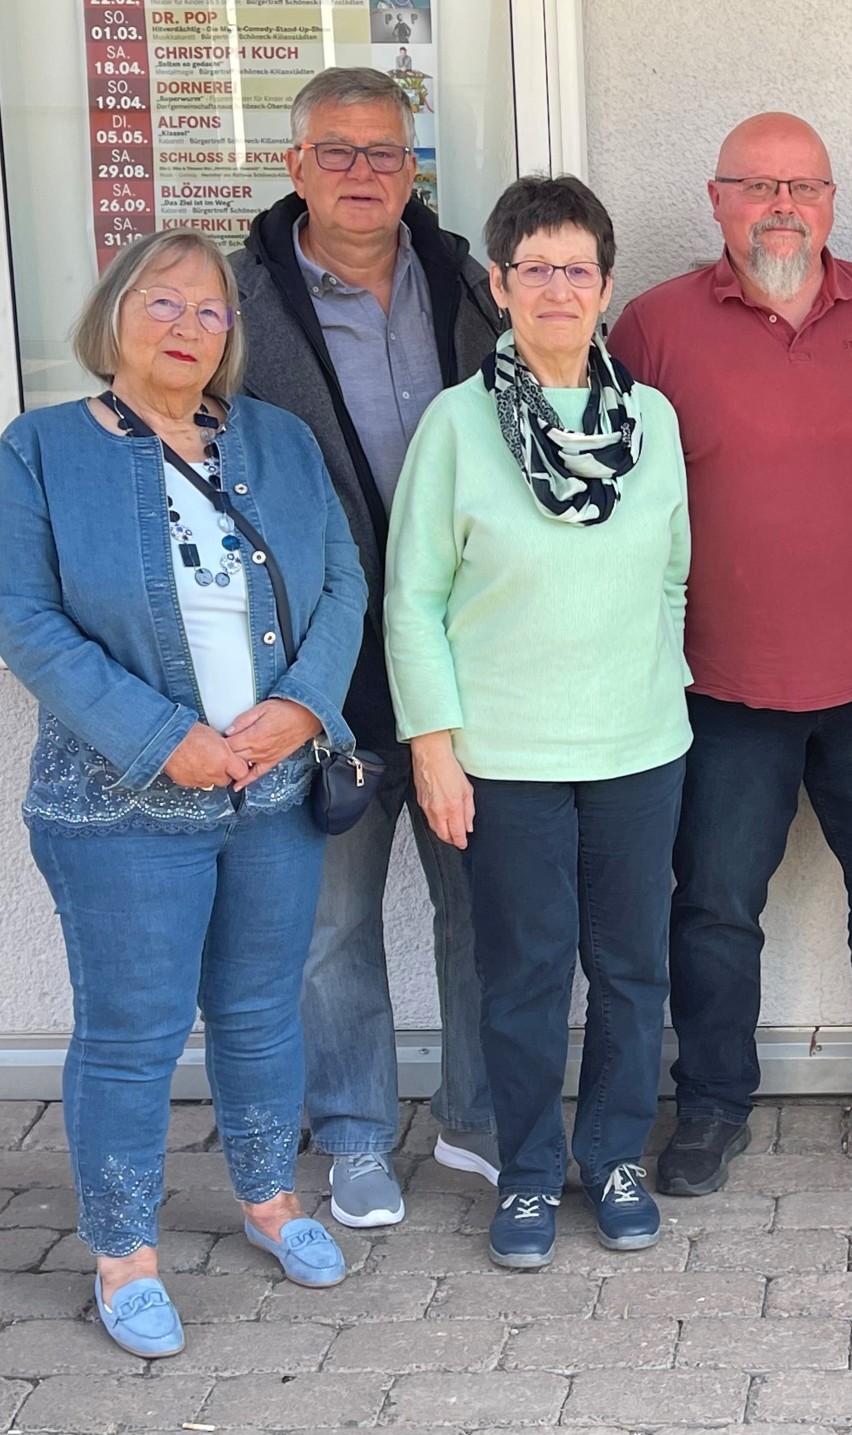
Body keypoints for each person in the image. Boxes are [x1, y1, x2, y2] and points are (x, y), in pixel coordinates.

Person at [0, 229, 367, 1356]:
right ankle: (123, 1253)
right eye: (164, 304)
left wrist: (304, 707)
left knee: (260, 1007)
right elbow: (26, 620)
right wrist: (165, 739)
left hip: (270, 789)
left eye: (211, 313)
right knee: (132, 1031)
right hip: (118, 803)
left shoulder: (280, 442)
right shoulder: (40, 449)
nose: (188, 329)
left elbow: (345, 583)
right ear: (114, 315)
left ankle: (268, 1199)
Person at [606, 112, 852, 1196]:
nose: (782, 207)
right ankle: (711, 1101)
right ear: (717, 200)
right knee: (712, 903)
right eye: (758, 186)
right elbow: (609, 497)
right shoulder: (654, 329)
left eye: (803, 186)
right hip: (718, 685)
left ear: (832, 203)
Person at [385, 175, 691, 1269]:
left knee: (630, 966)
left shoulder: (649, 420)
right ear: (500, 287)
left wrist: (655, 688)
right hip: (503, 758)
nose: (556, 288)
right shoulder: (458, 426)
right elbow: (413, 598)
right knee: (520, 973)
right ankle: (524, 1169)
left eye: (577, 269)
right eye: (534, 269)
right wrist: (435, 744)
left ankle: (611, 1156)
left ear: (607, 288)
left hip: (637, 749)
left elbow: (671, 579)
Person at [233, 66, 504, 1229]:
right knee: (330, 918)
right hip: (317, 667)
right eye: (337, 153)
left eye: (384, 153)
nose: (362, 174)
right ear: (294, 167)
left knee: (484, 899)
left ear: (413, 168)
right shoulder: (236, 305)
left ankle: (483, 1119)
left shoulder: (465, 285)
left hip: (463, 656)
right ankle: (350, 1131)